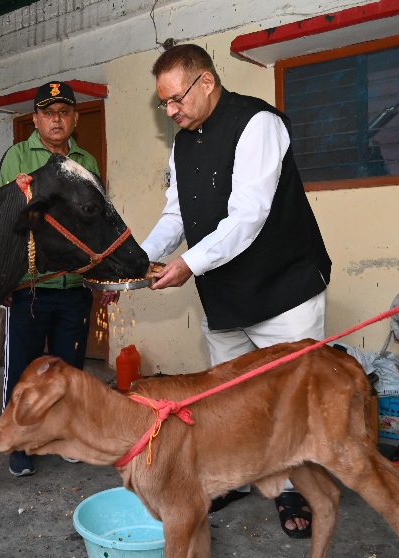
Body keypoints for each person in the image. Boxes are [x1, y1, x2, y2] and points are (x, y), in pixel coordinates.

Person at [141, 43, 332, 539]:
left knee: (289, 400)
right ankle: (240, 476)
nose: (171, 111)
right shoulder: (182, 142)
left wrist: (188, 262)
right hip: (224, 294)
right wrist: (137, 260)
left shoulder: (258, 124)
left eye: (176, 99)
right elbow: (176, 215)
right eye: (163, 104)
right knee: (228, 400)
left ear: (206, 81)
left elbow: (248, 216)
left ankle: (293, 486)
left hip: (283, 289)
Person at [0, 80, 115, 477]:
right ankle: (18, 443)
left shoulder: (86, 160)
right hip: (29, 288)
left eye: (64, 112)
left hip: (74, 286)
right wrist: (4, 280)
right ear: (36, 119)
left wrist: (101, 279)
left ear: (76, 118)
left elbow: (95, 226)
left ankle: (66, 436)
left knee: (69, 370)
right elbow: (4, 222)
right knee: (22, 371)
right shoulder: (17, 157)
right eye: (48, 113)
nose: (56, 119)